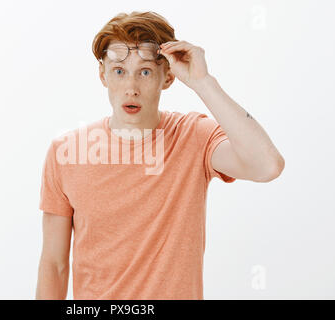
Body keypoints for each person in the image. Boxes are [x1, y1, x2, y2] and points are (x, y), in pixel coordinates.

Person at [36, 11, 285, 300]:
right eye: (119, 71)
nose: (131, 88)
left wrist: (203, 82)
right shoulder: (66, 152)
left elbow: (267, 165)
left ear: (167, 77)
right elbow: (54, 265)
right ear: (103, 74)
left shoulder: (194, 135)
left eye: (145, 72)